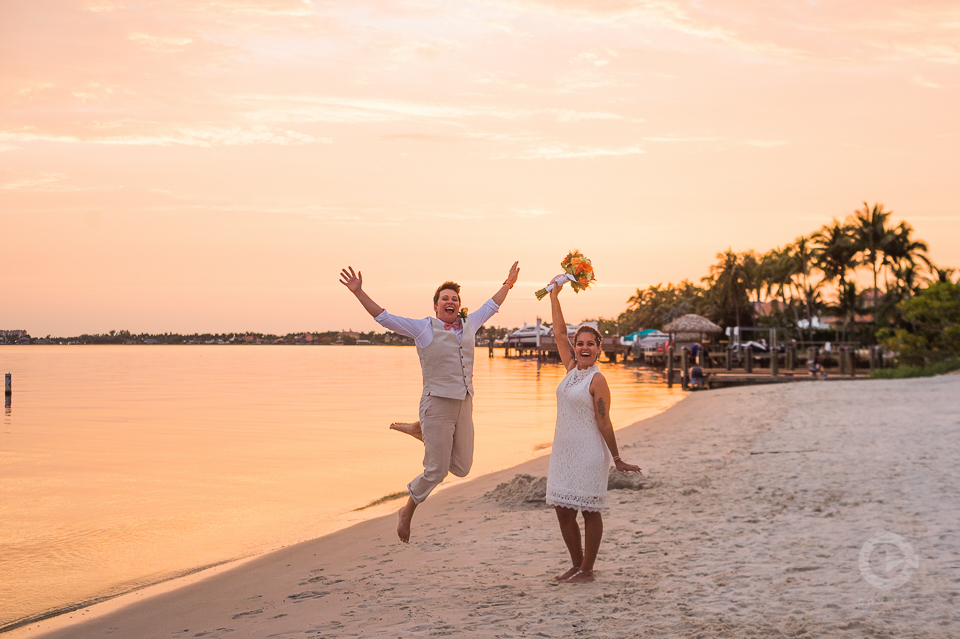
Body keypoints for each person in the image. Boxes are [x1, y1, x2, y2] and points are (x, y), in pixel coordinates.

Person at [339, 262, 520, 543]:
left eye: (455, 299)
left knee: (462, 468)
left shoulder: (469, 324)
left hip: (464, 404)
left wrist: (508, 283)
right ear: (436, 306)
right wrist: (359, 293)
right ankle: (407, 510)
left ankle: (420, 431)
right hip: (436, 405)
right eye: (445, 299)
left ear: (459, 306)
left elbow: (491, 305)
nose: (450, 301)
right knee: (436, 470)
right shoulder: (423, 328)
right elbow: (384, 318)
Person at [545, 278, 641, 584]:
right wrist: (554, 296)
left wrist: (617, 457)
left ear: (599, 349)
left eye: (590, 344)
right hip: (563, 452)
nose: (584, 347)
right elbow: (559, 331)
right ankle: (577, 564)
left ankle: (587, 569)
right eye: (580, 343)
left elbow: (604, 421)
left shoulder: (597, 381)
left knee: (588, 510)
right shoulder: (572, 371)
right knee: (562, 509)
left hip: (588, 453)